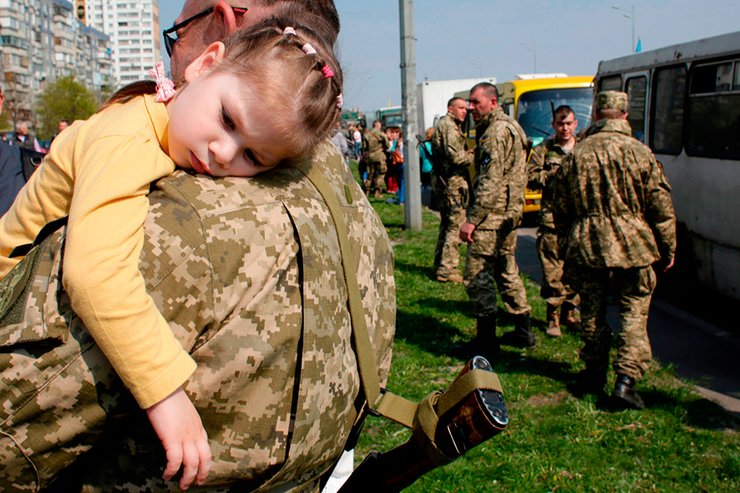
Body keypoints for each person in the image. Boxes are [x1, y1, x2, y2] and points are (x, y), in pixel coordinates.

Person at [0, 8, 388, 492]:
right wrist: (165, 394)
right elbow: (94, 274)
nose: (224, 153)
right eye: (227, 119)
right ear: (205, 64)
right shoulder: (125, 139)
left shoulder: (169, 129)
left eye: (253, 156)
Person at [551, 91, 676, 410]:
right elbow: (660, 207)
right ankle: (626, 380)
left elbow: (560, 206)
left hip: (587, 243)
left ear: (596, 115)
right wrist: (668, 247)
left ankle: (594, 373)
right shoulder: (640, 152)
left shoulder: (576, 155)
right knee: (634, 311)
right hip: (634, 245)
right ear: (625, 115)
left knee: (591, 310)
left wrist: (566, 243)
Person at [458, 82, 535, 357]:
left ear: (492, 102)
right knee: (506, 269)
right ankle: (523, 329)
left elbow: (491, 180)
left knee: (476, 275)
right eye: (469, 102)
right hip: (509, 213)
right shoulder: (513, 127)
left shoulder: (495, 132)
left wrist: (473, 219)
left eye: (476, 102)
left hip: (492, 216)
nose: (471, 108)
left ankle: (486, 340)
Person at [527, 105, 581, 337]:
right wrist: (552, 176)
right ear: (553, 125)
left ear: (575, 124)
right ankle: (553, 316)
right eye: (560, 123)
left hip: (578, 220)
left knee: (576, 269)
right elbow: (530, 176)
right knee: (552, 270)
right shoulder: (544, 150)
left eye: (568, 123)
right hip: (552, 219)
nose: (565, 128)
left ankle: (570, 311)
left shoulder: (584, 149)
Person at [431, 97, 473, 284]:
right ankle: (448, 270)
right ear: (450, 109)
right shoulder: (448, 126)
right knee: (455, 226)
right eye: (461, 108)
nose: (465, 111)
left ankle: (439, 265)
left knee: (447, 225)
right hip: (452, 183)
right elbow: (456, 157)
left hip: (446, 182)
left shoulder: (447, 125)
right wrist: (473, 156)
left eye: (466, 108)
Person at [364, 119, 389, 197]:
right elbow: (388, 146)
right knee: (381, 173)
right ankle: (377, 191)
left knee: (370, 174)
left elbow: (364, 147)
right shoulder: (382, 135)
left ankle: (367, 191)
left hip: (370, 157)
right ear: (379, 125)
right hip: (380, 156)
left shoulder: (366, 135)